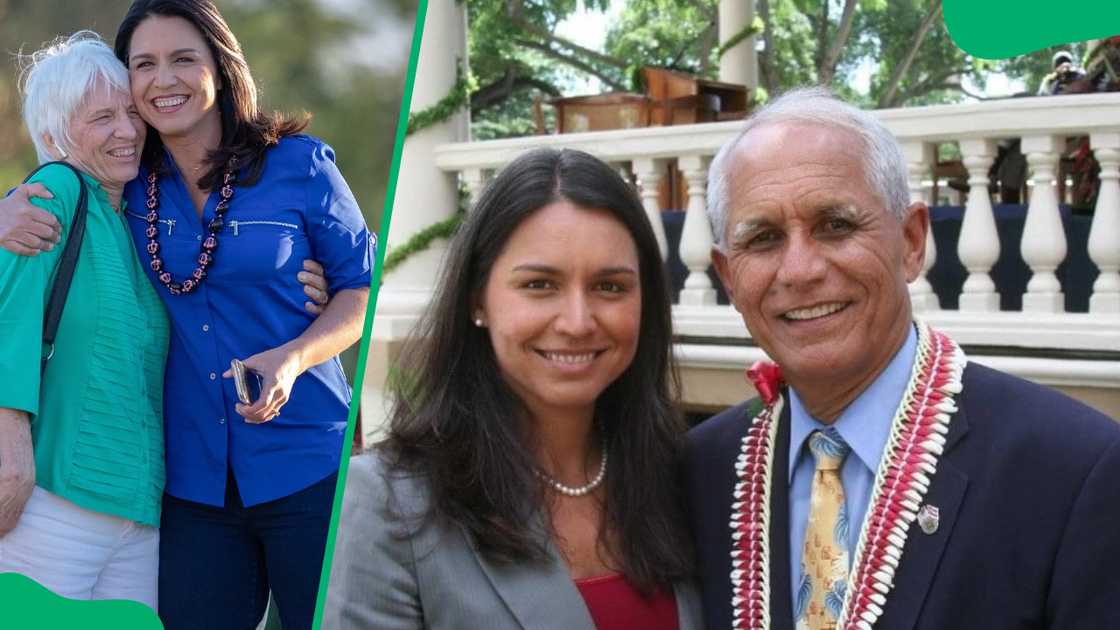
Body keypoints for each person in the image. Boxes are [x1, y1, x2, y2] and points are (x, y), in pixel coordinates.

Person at [687, 87, 1120, 630]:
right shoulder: (700, 471)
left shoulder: (1074, 470)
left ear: (911, 242)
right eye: (764, 238)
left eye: (836, 225)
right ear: (728, 277)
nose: (799, 270)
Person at [0, 1, 372, 627]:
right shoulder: (130, 184)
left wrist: (294, 356)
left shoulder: (300, 164)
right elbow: (56, 194)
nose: (162, 80)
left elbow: (359, 291)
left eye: (183, 59)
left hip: (306, 460)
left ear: (221, 69)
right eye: (143, 64)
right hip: (193, 487)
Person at [323, 148, 701, 630]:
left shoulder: (683, 478)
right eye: (540, 285)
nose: (577, 322)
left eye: (610, 287)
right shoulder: (389, 502)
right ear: (478, 298)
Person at [0, 31, 168, 610]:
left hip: (138, 511)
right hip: (51, 501)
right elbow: (9, 321)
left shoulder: (139, 217)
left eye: (130, 112)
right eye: (102, 117)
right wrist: (9, 450)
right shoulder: (56, 190)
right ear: (54, 134)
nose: (127, 131)